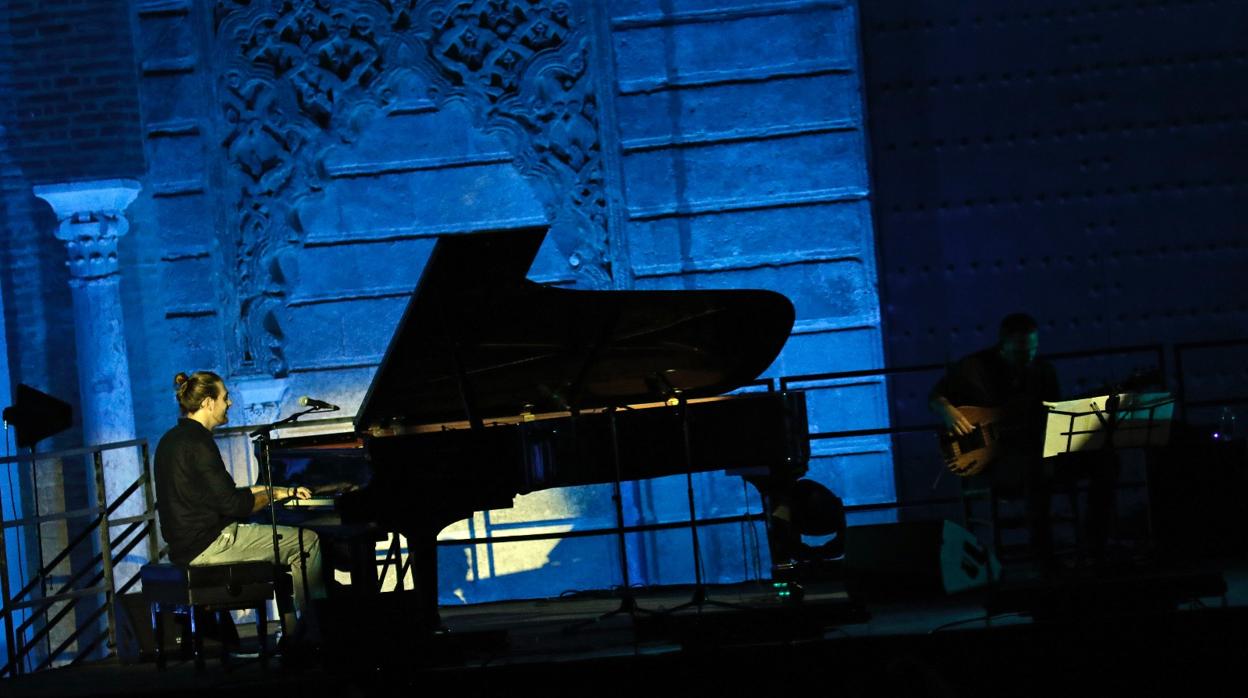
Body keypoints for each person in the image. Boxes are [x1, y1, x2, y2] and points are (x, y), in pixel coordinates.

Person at [929, 313, 1117, 570]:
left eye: (1032, 349)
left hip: (1036, 453)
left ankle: (1095, 550)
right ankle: (1046, 561)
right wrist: (947, 410)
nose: (1027, 356)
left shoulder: (1043, 371)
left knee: (1106, 460)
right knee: (1036, 469)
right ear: (1002, 345)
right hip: (997, 463)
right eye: (1019, 351)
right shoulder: (975, 367)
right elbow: (936, 396)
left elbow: (1052, 420)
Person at [154, 371, 325, 644]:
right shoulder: (199, 443)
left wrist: (273, 491)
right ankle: (314, 633)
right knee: (307, 541)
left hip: (184, 546)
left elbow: (217, 495)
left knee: (282, 544)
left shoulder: (170, 440)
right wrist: (272, 495)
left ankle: (295, 631)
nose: (230, 403)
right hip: (210, 544)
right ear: (209, 403)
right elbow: (234, 504)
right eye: (225, 397)